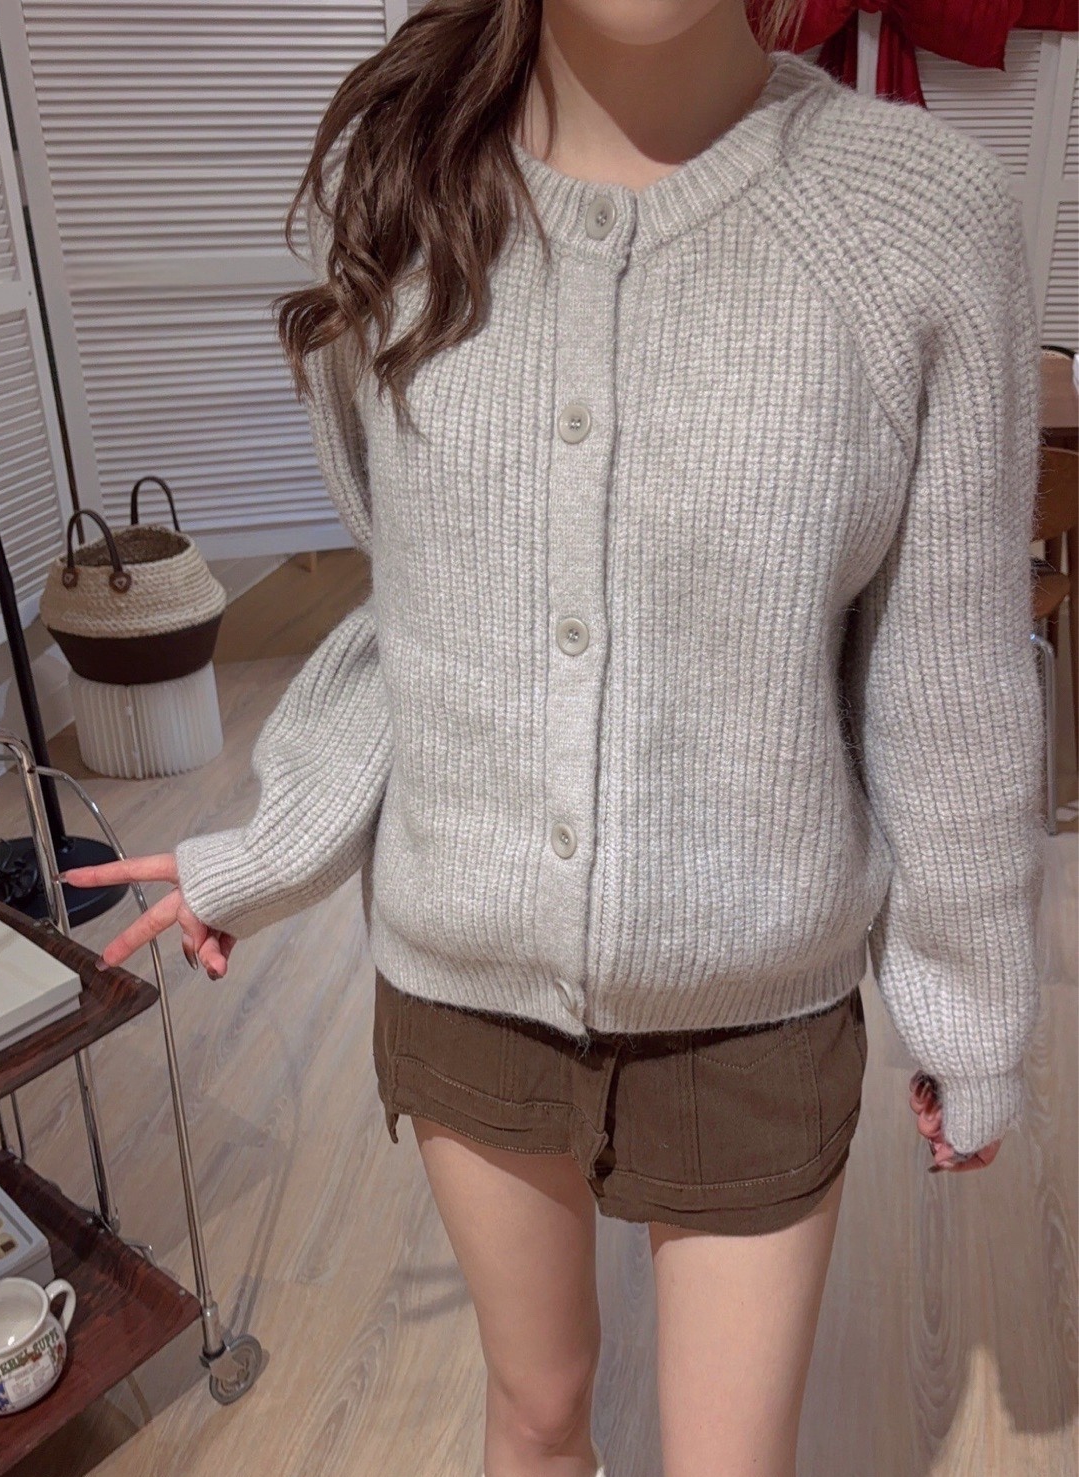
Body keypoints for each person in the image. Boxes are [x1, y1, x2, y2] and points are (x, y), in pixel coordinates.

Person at [62, 2, 1047, 1473]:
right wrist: (272, 844)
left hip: (756, 1004)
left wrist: (969, 1008)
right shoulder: (402, 182)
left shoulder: (920, 219)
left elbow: (948, 676)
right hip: (465, 983)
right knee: (534, 1413)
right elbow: (423, 610)